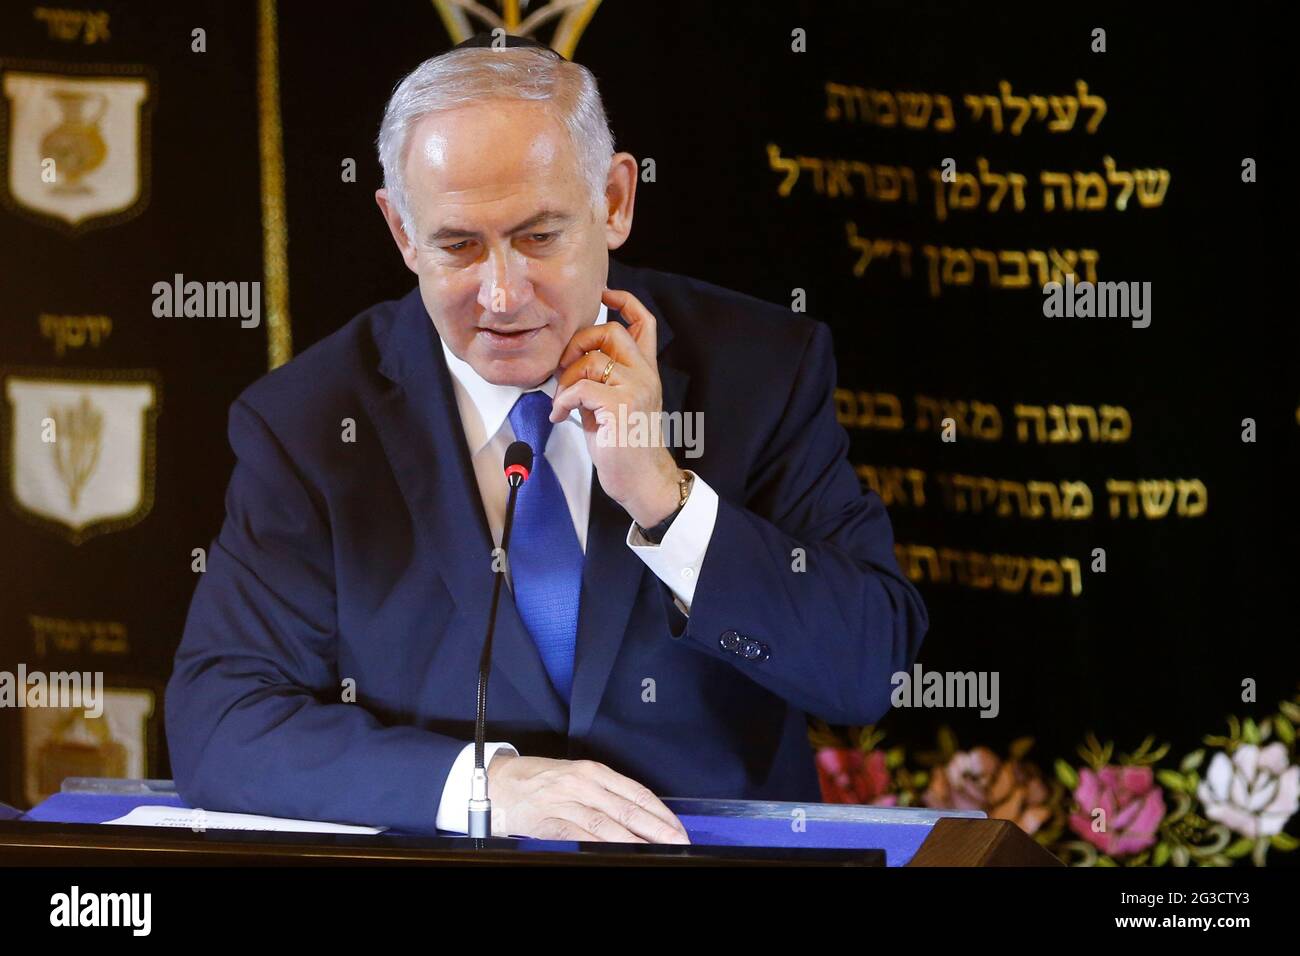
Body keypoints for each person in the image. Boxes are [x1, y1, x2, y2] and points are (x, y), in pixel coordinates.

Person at [165, 35, 927, 843]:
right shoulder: (308, 423)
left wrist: (665, 502)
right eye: (458, 245)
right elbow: (221, 721)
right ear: (401, 232)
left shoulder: (761, 370)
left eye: (538, 237)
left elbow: (866, 670)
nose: (501, 293)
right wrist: (485, 788)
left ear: (615, 201)